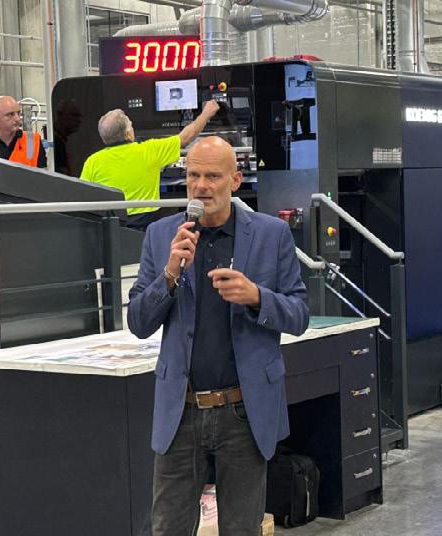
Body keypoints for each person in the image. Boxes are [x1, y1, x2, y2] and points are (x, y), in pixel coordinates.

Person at [127, 137, 309, 536]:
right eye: (193, 176)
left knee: (241, 528)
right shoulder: (161, 235)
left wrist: (256, 297)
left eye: (212, 176)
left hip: (243, 411)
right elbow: (138, 323)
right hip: (181, 411)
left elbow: (299, 315)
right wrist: (169, 274)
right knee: (167, 528)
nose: (201, 186)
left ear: (235, 180)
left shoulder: (272, 234)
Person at [80, 100, 221, 231]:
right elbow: (185, 138)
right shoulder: (150, 150)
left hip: (109, 229)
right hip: (144, 227)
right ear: (128, 133)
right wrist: (207, 113)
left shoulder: (92, 161)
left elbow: (83, 194)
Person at [0, 95, 47, 168]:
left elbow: (42, 173)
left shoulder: (32, 141)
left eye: (18, 113)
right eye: (10, 114)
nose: (17, 119)